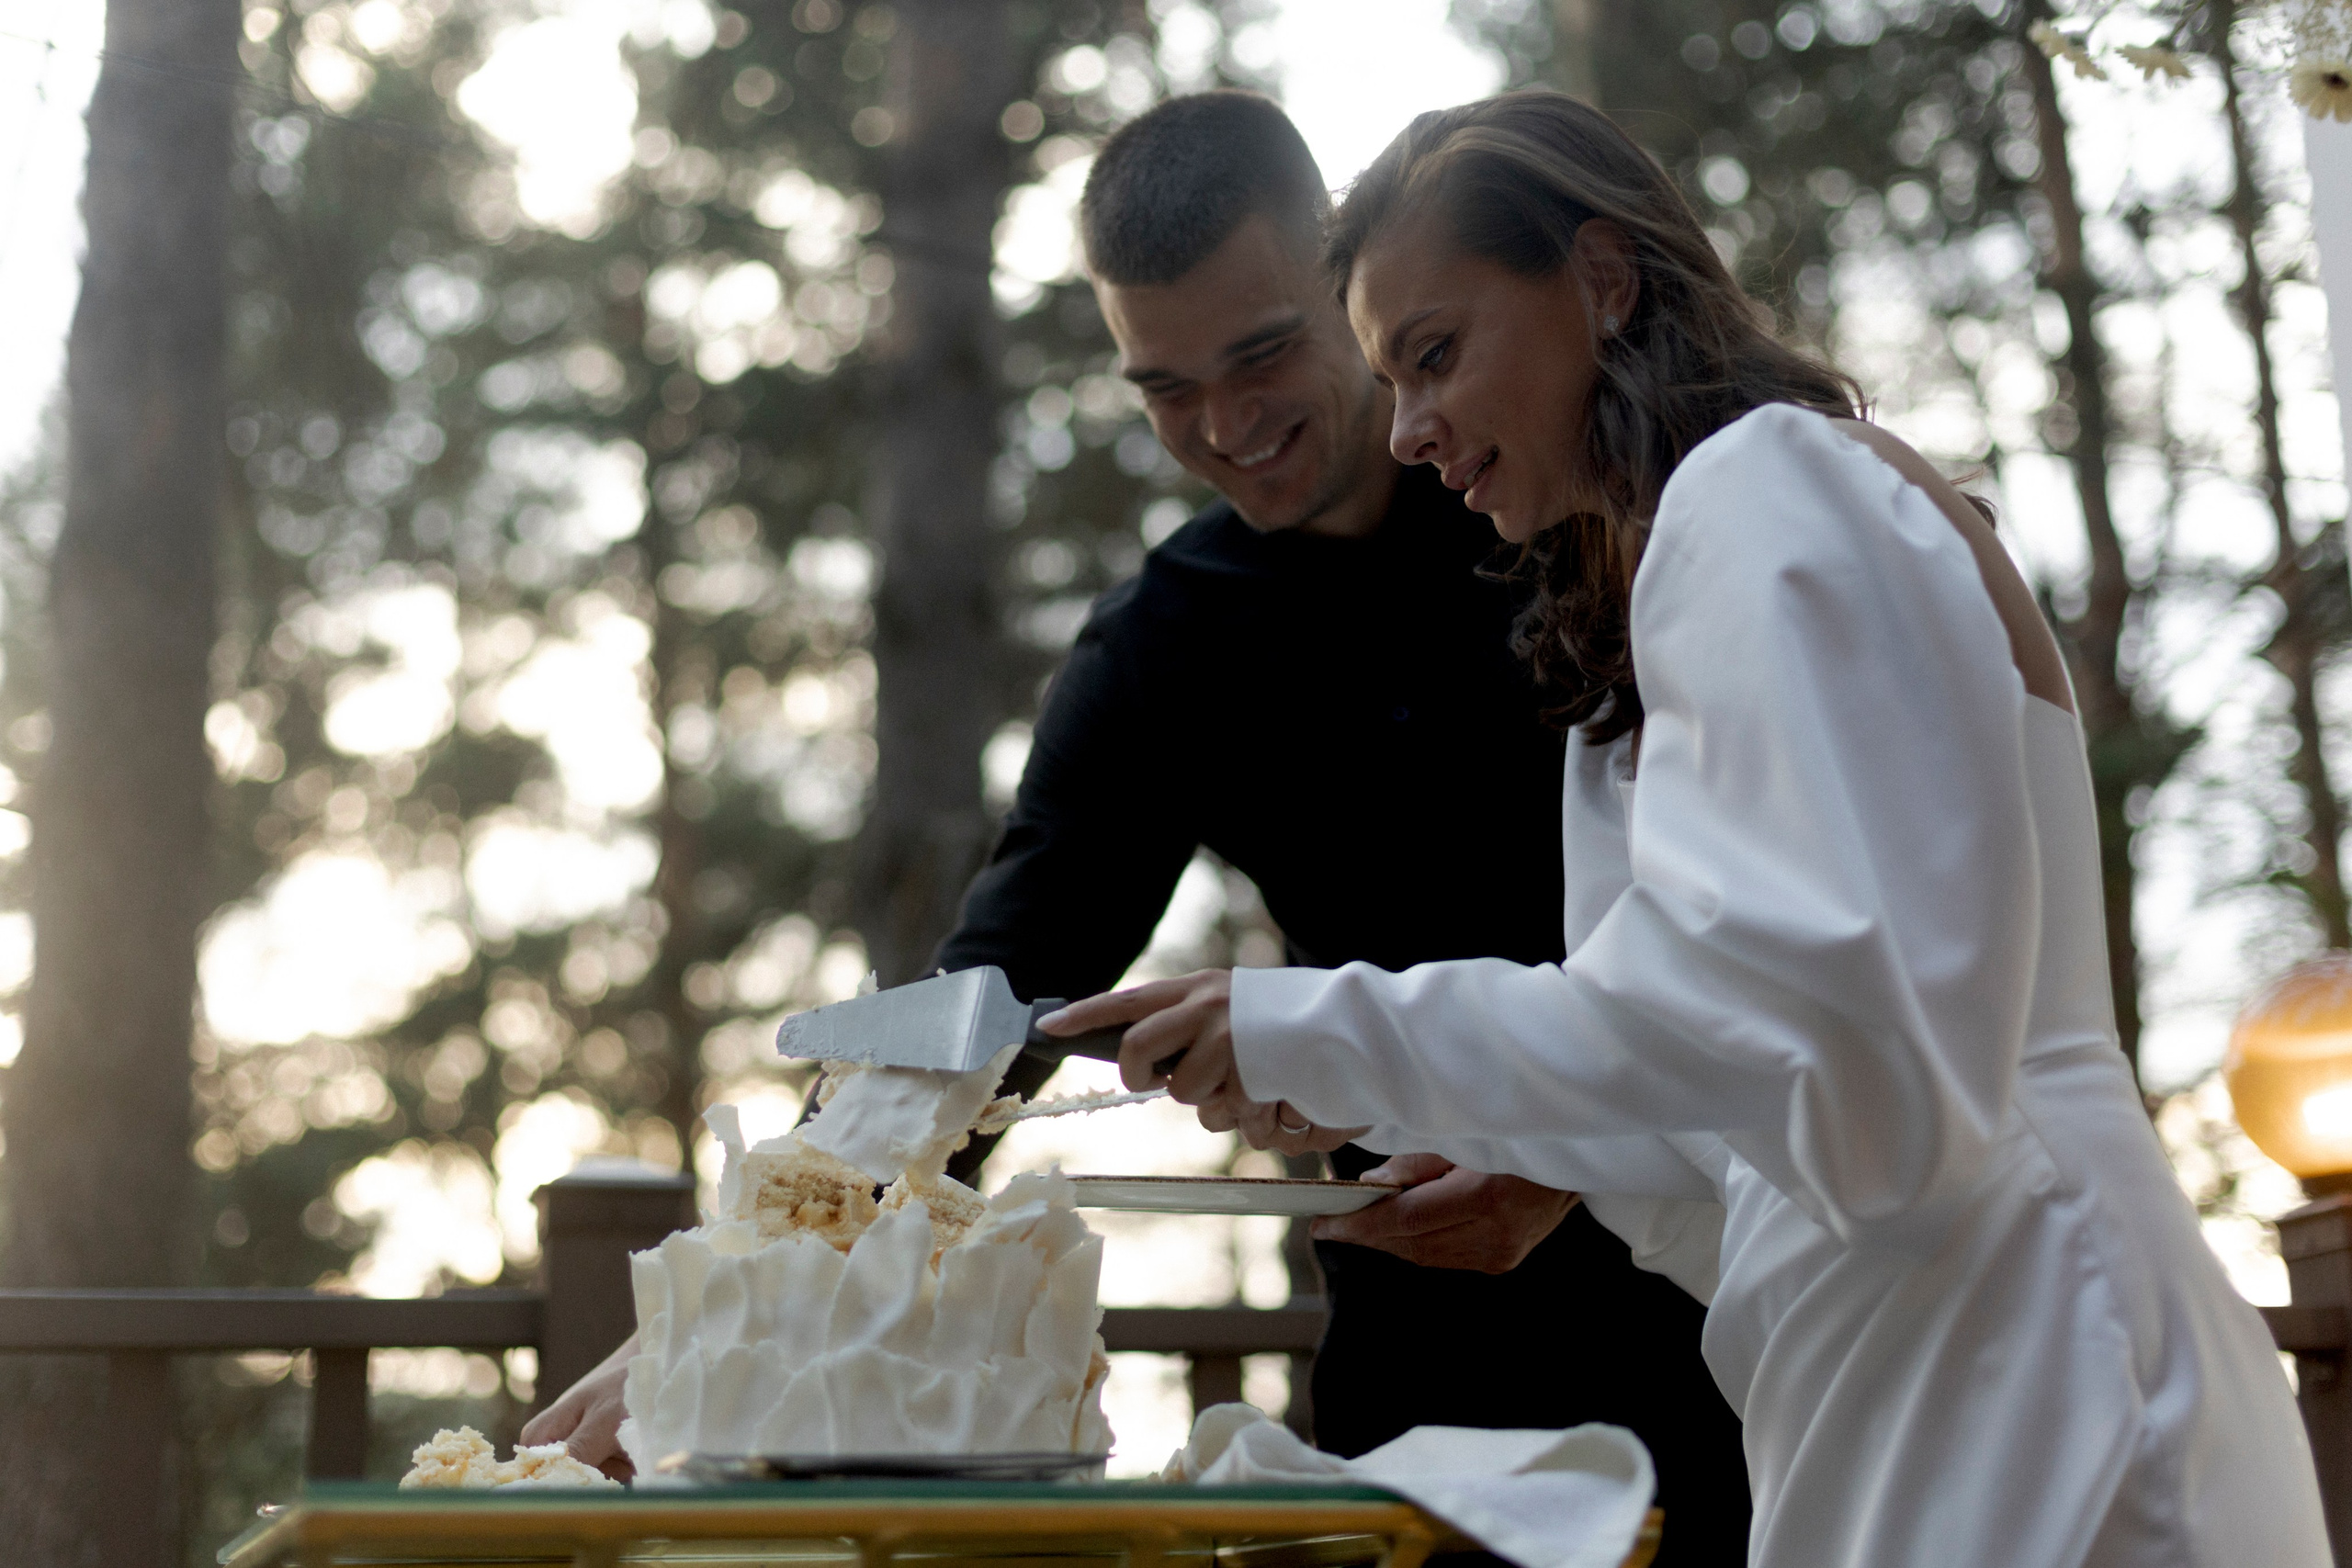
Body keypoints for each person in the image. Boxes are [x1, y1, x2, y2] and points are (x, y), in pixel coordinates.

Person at [1045, 90, 2330, 1568]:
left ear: (1602, 276)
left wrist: (1309, 1030)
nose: (1407, 432)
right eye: (1391, 376)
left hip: (2035, 1347)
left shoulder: (1767, 487)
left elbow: (1800, 1013)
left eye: (1438, 354)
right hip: (1890, 1361)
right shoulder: (1651, 594)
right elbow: (1761, 1076)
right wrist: (1511, 1149)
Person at [526, 91, 1752, 1562]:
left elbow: (1763, 931)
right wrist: (742, 1282)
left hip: (1732, 1309)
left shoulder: (1575, 493)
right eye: (1166, 391)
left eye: (1264, 353)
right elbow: (992, 993)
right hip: (1426, 1373)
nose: (1229, 428)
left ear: (1350, 282)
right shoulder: (1162, 649)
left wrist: (1573, 1154)